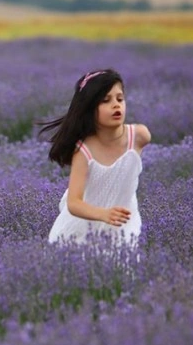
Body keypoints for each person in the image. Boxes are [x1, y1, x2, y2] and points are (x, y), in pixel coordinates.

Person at [38, 69, 151, 246]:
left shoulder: (139, 136)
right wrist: (103, 214)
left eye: (120, 99)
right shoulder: (84, 151)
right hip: (84, 226)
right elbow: (74, 203)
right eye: (106, 101)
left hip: (124, 222)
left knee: (123, 269)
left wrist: (112, 216)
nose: (116, 105)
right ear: (89, 109)